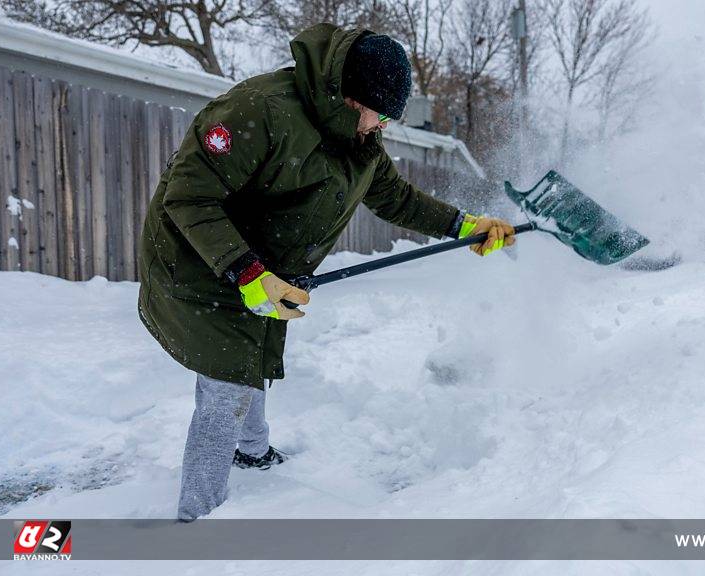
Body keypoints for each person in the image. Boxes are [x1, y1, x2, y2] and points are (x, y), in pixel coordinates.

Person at [137, 23, 517, 521]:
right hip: (199, 259)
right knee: (225, 379)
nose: (382, 126)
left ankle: (252, 450)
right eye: (380, 114)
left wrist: (464, 225)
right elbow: (188, 197)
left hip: (258, 264)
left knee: (249, 350)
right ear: (351, 98)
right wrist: (247, 273)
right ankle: (198, 517)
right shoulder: (258, 111)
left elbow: (394, 197)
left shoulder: (355, 140)